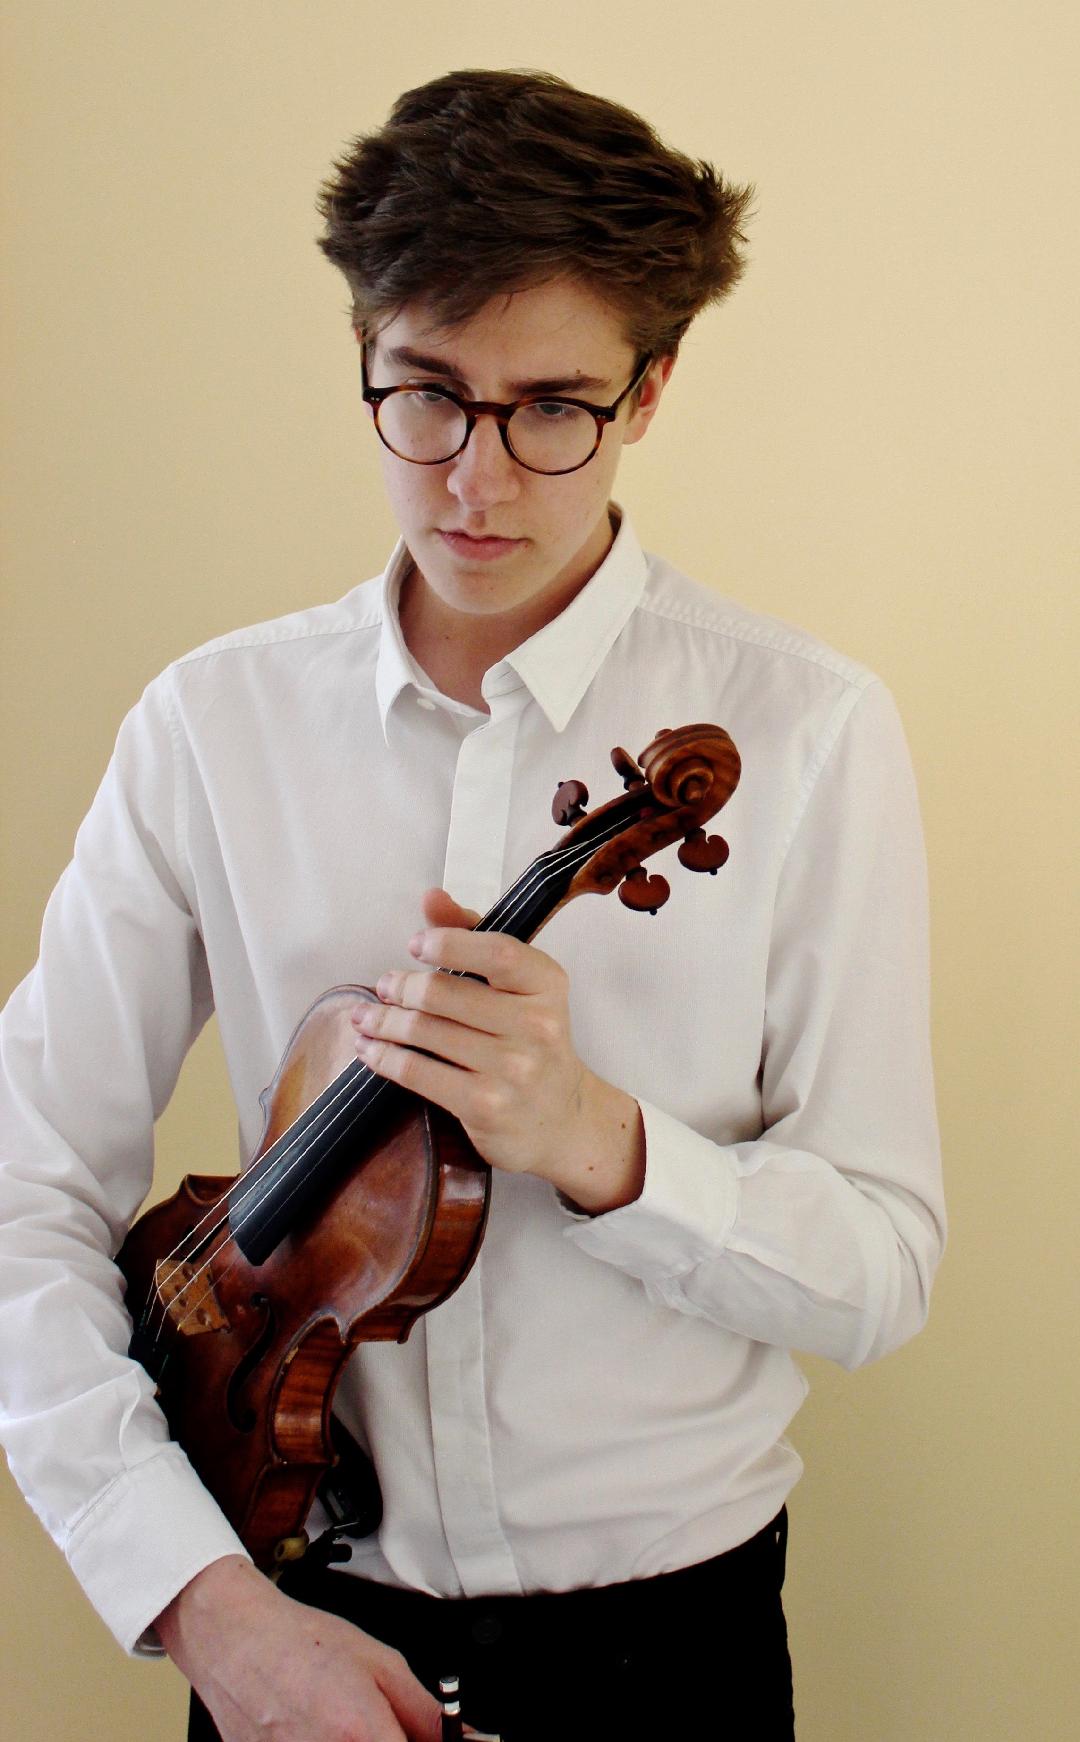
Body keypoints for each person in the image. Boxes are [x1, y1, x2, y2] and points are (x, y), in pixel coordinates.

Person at [0, 68, 944, 1742]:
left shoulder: (809, 729)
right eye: (425, 396)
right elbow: (18, 1187)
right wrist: (204, 1604)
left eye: (552, 406)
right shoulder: (211, 727)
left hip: (675, 1653)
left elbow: (882, 1264)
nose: (477, 481)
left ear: (651, 390)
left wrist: (598, 1139)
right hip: (295, 1635)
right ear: (362, 353)